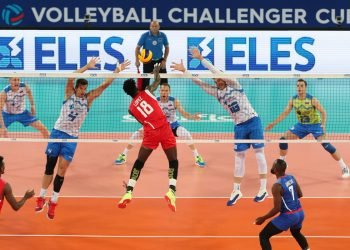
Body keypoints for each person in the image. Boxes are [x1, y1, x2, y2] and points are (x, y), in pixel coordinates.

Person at [35, 57, 131, 220]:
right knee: (49, 166)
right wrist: (87, 66)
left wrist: (116, 72)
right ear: (77, 88)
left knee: (62, 169)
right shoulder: (69, 94)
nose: (83, 91)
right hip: (57, 133)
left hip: (72, 137)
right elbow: (70, 77)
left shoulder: (88, 99)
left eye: (85, 88)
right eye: (81, 88)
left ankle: (53, 201)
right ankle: (41, 197)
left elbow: (104, 86)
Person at [170, 48, 268, 206]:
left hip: (253, 121)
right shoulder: (217, 93)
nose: (218, 80)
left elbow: (215, 70)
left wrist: (201, 58)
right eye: (215, 79)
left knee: (259, 153)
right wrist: (185, 71)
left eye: (219, 77)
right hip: (239, 126)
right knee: (239, 158)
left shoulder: (235, 85)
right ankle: (236, 190)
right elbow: (200, 83)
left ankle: (263, 189)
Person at [118, 64, 178, 212]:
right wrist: (156, 72)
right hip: (164, 129)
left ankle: (129, 191)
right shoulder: (147, 92)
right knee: (173, 161)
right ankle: (171, 190)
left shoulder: (130, 109)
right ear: (136, 87)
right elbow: (157, 81)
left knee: (139, 162)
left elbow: (142, 121)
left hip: (150, 133)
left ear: (127, 93)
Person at [265, 79, 350, 178]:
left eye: (301, 86)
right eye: (298, 86)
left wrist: (323, 126)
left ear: (305, 87)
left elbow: (323, 112)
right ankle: (282, 163)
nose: (299, 88)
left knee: (326, 145)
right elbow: (285, 113)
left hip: (315, 125)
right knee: (283, 139)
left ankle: (344, 167)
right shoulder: (293, 100)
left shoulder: (312, 99)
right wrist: (273, 123)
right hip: (301, 125)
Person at [115, 82, 206, 167]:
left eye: (166, 91)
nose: (164, 92)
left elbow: (184, 114)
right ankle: (124, 154)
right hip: (156, 126)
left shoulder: (174, 101)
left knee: (186, 134)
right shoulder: (155, 100)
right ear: (159, 91)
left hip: (172, 125)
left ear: (169, 92)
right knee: (135, 135)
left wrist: (193, 117)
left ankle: (197, 156)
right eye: (162, 90)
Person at [255, 159, 310, 250]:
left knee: (263, 235)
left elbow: (277, 209)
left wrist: (263, 218)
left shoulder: (277, 186)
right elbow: (300, 194)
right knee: (296, 233)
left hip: (289, 216)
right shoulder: (291, 178)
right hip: (300, 213)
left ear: (275, 169)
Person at [135, 20, 169, 85]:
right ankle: (145, 94)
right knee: (145, 83)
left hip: (160, 61)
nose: (154, 27)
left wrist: (164, 60)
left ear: (159, 27)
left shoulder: (163, 35)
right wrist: (137, 60)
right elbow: (137, 48)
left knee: (164, 82)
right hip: (147, 61)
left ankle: (164, 94)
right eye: (152, 26)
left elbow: (167, 48)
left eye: (156, 26)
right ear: (150, 27)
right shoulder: (144, 35)